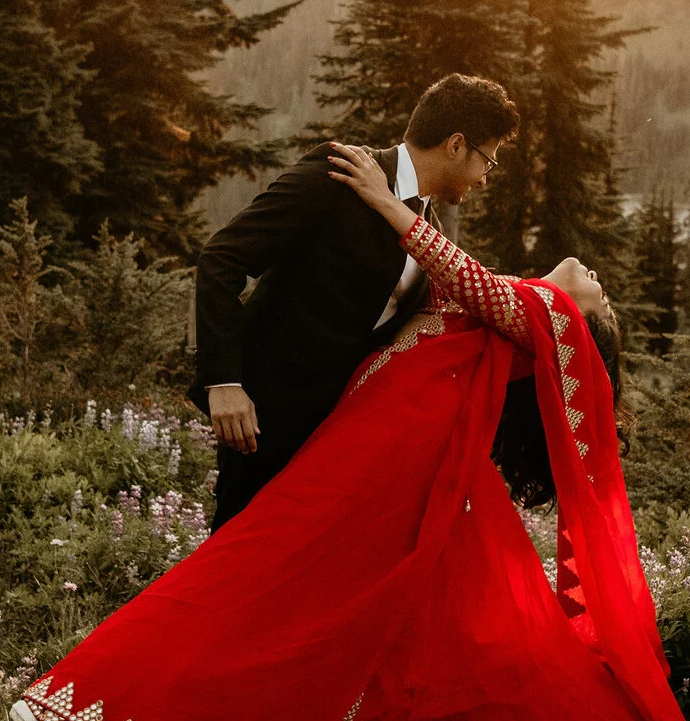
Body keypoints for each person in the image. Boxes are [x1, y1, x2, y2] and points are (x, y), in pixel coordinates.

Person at [11, 142, 690, 721]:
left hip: (394, 455)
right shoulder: (515, 296)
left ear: (581, 314)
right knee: (281, 585)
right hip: (372, 438)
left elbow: (462, 275)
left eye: (601, 287)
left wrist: (387, 202)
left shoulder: (540, 313)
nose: (590, 267)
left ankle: (94, 717)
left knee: (262, 572)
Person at [192, 74, 520, 527]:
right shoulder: (339, 172)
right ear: (456, 145)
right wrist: (224, 382)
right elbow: (222, 258)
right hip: (263, 420)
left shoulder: (427, 232)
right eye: (489, 161)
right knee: (230, 563)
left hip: (335, 439)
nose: (486, 179)